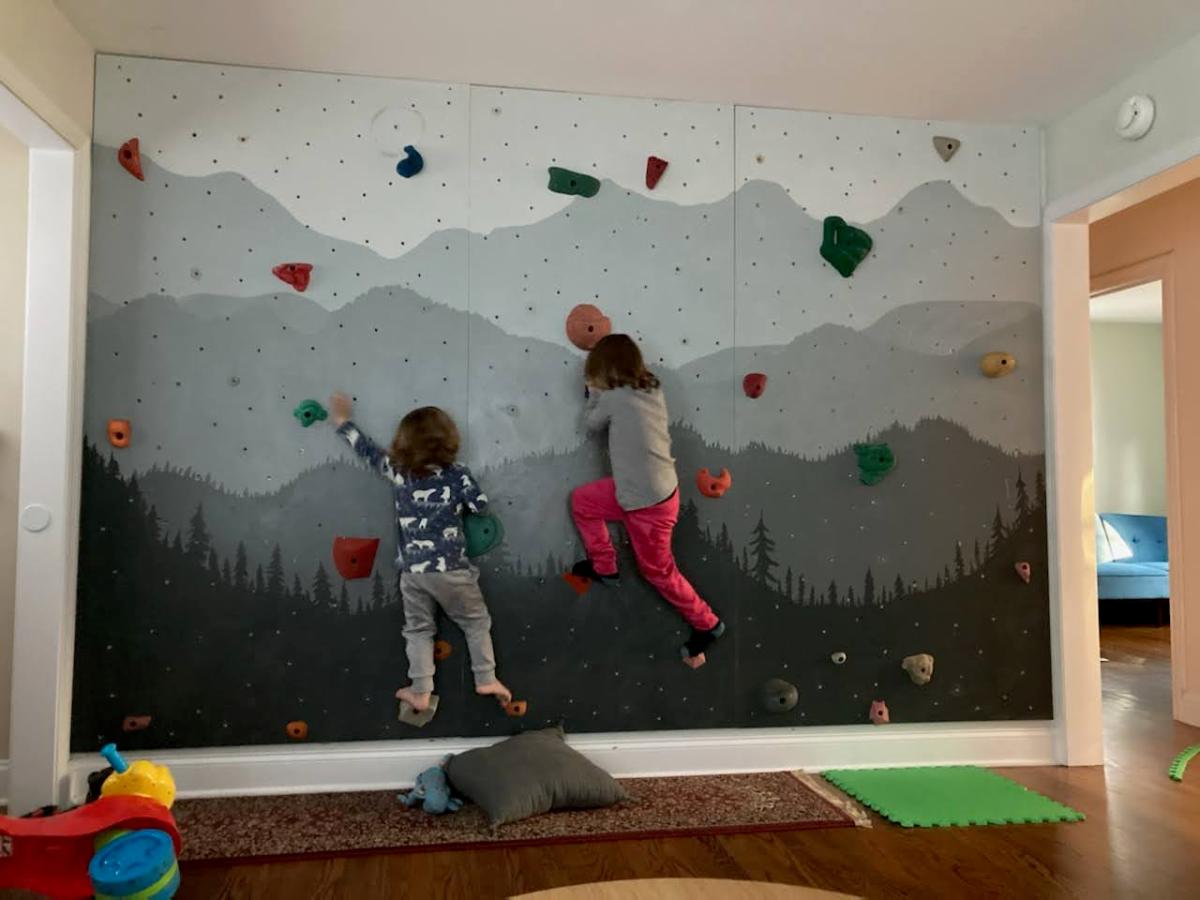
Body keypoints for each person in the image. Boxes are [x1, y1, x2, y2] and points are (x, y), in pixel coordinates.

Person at [329, 393, 511, 712]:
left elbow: (368, 451)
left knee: (418, 629)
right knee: (475, 621)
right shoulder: (457, 473)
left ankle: (421, 690)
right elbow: (480, 506)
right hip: (451, 569)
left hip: (413, 572)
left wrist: (343, 422)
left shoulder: (400, 472)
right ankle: (485, 677)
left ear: (404, 442)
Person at [570, 335, 726, 668]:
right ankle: (605, 567)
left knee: (658, 571)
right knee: (584, 502)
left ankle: (707, 624)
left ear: (605, 371)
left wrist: (592, 394)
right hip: (644, 491)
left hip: (645, 504)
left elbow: (590, 424)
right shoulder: (652, 389)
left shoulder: (611, 399)